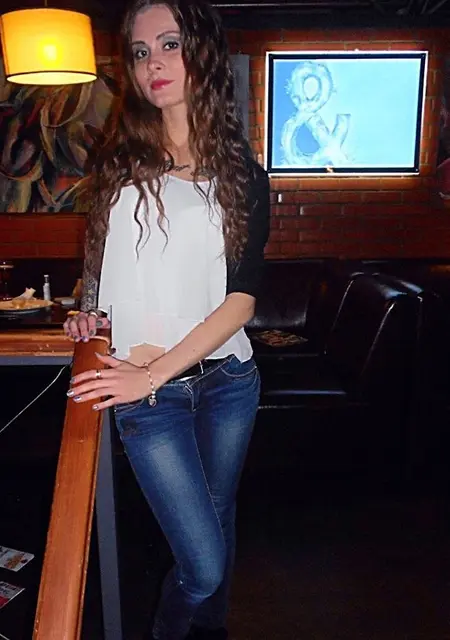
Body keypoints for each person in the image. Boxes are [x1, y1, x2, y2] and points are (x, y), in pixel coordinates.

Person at [64, 1, 270, 638]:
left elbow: (241, 300)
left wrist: (154, 373)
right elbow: (103, 261)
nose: (153, 62)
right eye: (140, 51)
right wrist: (90, 311)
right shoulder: (118, 164)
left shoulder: (242, 174)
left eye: (170, 44)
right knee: (202, 566)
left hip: (227, 380)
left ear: (202, 53)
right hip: (147, 392)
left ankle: (210, 632)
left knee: (220, 519)